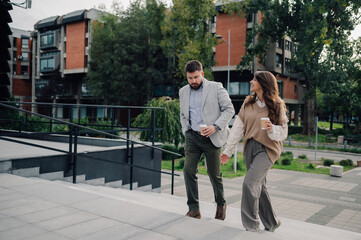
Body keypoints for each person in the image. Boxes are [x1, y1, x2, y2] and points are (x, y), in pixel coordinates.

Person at [220, 71, 288, 232]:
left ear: (263, 83)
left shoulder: (277, 104)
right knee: (259, 186)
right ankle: (272, 222)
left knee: (249, 183)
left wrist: (272, 129)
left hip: (268, 149)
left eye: (254, 80)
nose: (251, 82)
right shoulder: (248, 103)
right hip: (250, 147)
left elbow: (284, 132)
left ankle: (251, 225)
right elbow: (237, 128)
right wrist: (228, 151)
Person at [179, 60, 235, 220]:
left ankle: (221, 203)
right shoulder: (183, 91)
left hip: (212, 137)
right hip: (192, 137)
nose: (193, 81)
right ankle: (194, 209)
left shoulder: (216, 87)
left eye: (196, 77)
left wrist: (215, 126)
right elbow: (183, 114)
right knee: (188, 171)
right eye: (190, 78)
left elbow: (229, 109)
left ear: (202, 74)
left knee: (214, 174)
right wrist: (186, 131)